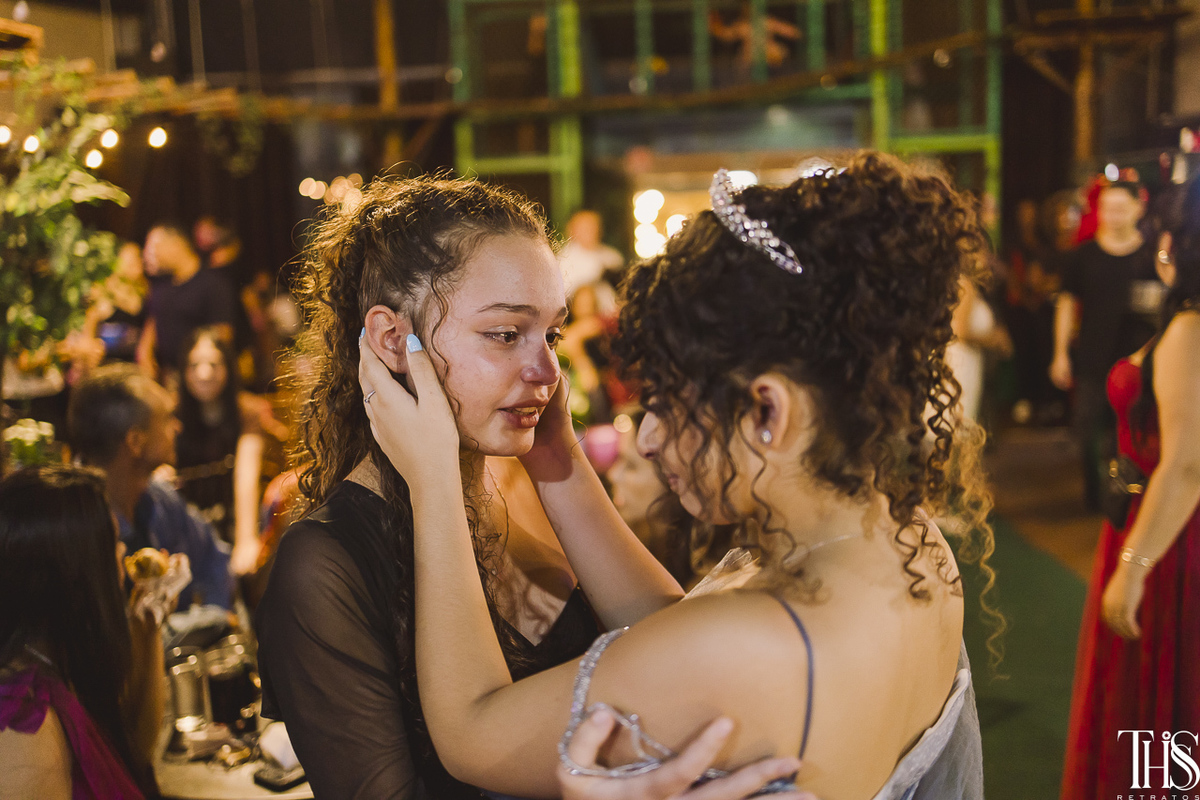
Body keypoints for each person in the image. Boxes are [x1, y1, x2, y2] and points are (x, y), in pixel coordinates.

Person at [359, 154, 993, 799]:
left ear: (768, 410)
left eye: (668, 398)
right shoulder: (908, 546)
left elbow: (473, 735)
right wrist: (557, 455)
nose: (653, 434)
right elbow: (672, 640)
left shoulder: (745, 645)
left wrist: (433, 479)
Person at [256, 174, 803, 800]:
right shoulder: (323, 565)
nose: (545, 370)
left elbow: (675, 657)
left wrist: (559, 455)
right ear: (390, 341)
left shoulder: (529, 482)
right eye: (505, 334)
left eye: (552, 335)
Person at [1061, 181, 1200, 800]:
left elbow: (1188, 465)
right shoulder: (1182, 318)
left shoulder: (1191, 328)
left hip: (1170, 539)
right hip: (1157, 524)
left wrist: (1135, 565)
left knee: (1160, 703)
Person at [0, 466, 163, 800]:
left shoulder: (54, 662)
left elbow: (131, 754)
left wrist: (148, 629)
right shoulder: (24, 732)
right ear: (76, 574)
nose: (122, 556)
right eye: (112, 545)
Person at [67, 363, 234, 610]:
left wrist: (214, 613)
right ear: (135, 442)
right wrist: (208, 623)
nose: (178, 427)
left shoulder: (160, 499)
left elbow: (215, 560)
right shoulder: (74, 529)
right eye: (167, 418)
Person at [1051, 181, 1160, 510]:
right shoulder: (1084, 255)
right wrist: (1059, 354)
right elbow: (1067, 303)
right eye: (1106, 208)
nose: (1112, 216)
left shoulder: (1152, 254)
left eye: (1120, 208)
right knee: (1087, 431)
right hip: (1093, 360)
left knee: (1129, 434)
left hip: (1137, 363)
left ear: (1138, 209)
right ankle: (1096, 495)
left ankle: (1126, 497)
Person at [175, 327, 266, 576]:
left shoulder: (246, 413)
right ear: (183, 371)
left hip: (231, 525)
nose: (204, 373)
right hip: (186, 536)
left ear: (228, 368)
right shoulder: (172, 417)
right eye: (194, 365)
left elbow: (246, 476)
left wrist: (246, 538)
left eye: (213, 364)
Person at [137, 224, 238, 385]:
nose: (150, 254)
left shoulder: (212, 284)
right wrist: (145, 357)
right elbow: (152, 325)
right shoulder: (160, 287)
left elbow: (223, 335)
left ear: (176, 244)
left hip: (203, 376)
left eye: (155, 247)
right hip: (169, 379)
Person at [558, 210, 625, 297]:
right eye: (584, 227)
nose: (590, 230)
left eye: (593, 226)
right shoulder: (561, 261)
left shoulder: (613, 257)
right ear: (571, 229)